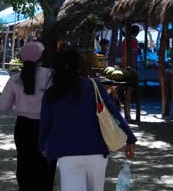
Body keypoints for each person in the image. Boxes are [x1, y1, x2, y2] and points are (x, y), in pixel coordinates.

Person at [39, 47, 137, 191]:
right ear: (80, 66)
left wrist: (42, 146)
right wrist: (129, 139)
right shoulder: (94, 86)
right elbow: (114, 112)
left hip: (66, 152)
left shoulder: (51, 94)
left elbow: (45, 124)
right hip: (96, 150)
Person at [0, 42, 54, 191]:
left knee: (24, 163)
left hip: (23, 127)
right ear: (41, 58)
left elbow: (3, 106)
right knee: (45, 166)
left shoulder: (15, 79)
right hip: (46, 127)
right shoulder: (50, 75)